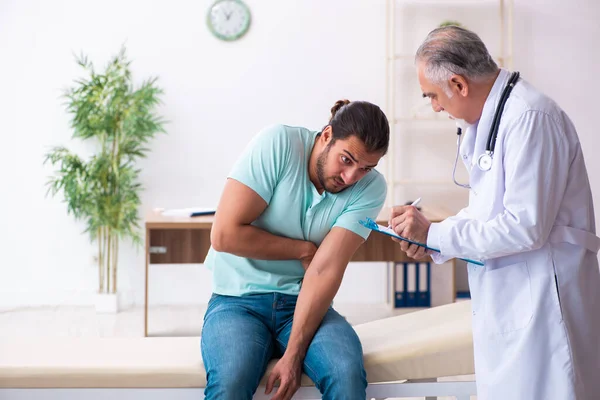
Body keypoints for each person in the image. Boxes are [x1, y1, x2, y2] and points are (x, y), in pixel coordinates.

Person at [389, 25, 600, 400]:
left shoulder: (530, 118)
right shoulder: (494, 122)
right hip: (512, 299)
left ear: (458, 84)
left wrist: (435, 235)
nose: (435, 106)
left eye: (433, 96)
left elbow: (525, 227)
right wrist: (433, 242)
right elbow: (486, 216)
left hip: (544, 304)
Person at [201, 99, 389, 400]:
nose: (351, 177)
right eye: (347, 160)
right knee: (230, 382)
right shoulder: (279, 144)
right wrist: (300, 249)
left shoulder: (371, 188)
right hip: (237, 301)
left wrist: (293, 354)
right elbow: (224, 235)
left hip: (304, 304)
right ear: (327, 135)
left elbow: (325, 268)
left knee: (346, 373)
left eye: (366, 168)